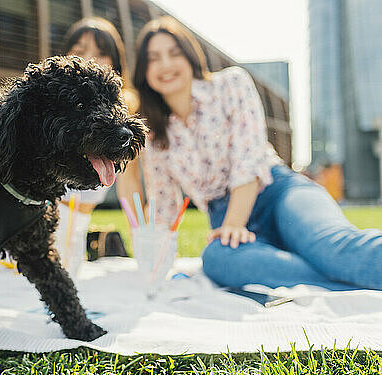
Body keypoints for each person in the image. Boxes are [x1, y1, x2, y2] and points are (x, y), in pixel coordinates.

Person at [118, 16, 382, 290]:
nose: (166, 65)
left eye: (174, 53)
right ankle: (340, 280)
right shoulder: (153, 132)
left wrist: (235, 222)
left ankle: (340, 268)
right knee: (218, 259)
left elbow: (248, 159)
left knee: (331, 247)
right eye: (154, 58)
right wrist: (152, 251)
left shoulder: (231, 84)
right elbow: (163, 203)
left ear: (190, 57)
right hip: (222, 214)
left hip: (277, 192)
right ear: (144, 71)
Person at [54, 17, 139, 275]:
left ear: (115, 63)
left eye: (101, 54)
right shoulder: (51, 110)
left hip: (75, 235)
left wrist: (143, 238)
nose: (90, 59)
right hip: (32, 232)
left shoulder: (122, 122)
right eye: (80, 51)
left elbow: (130, 190)